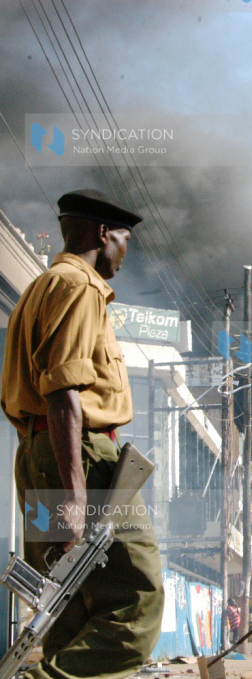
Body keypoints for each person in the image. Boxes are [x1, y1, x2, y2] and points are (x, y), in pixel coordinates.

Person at [2, 189, 163, 679]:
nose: (125, 252)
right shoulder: (80, 286)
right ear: (103, 233)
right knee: (137, 600)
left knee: (67, 600)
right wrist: (74, 495)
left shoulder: (39, 288)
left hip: (38, 452)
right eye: (125, 240)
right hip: (80, 455)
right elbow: (63, 390)